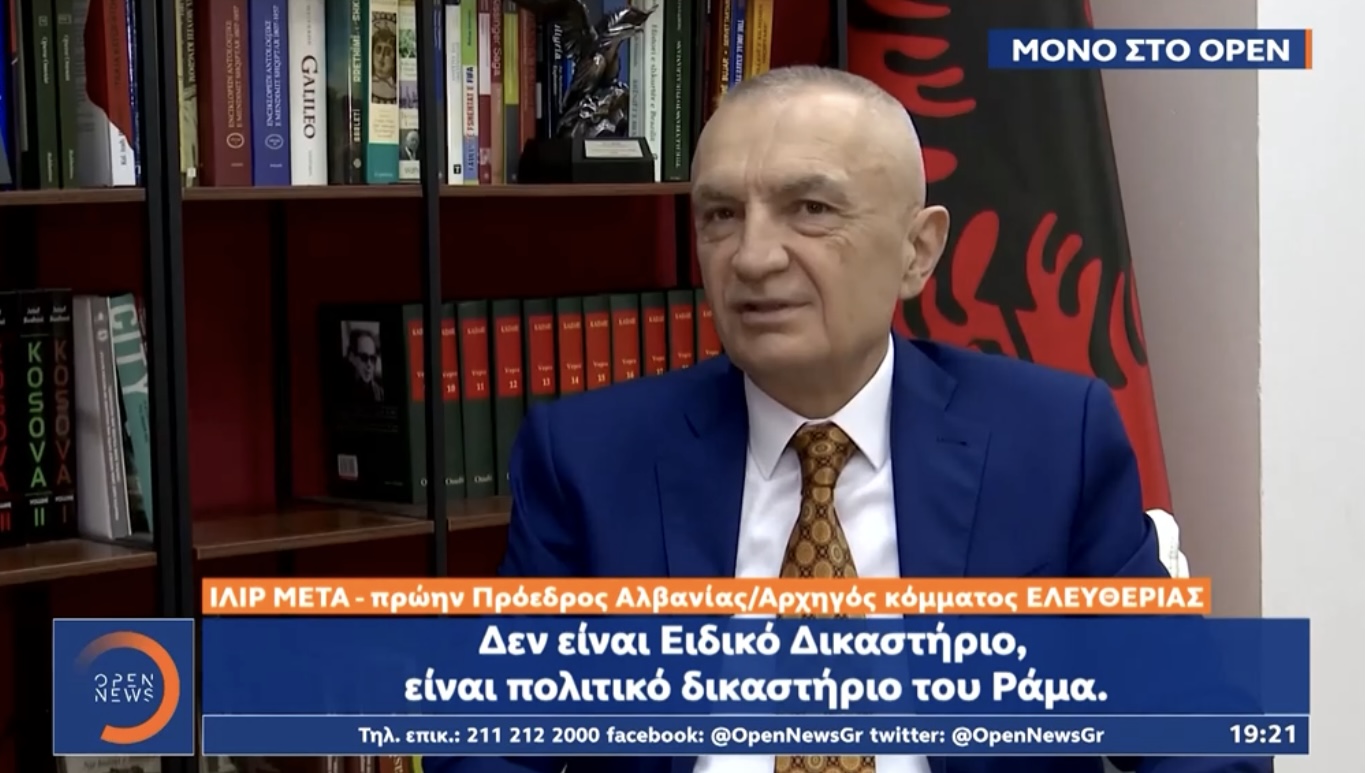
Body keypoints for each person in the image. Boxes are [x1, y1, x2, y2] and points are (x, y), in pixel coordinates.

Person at [425, 67, 1270, 773]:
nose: (752, 256)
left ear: (917, 250)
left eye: (810, 209)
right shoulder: (589, 457)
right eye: (720, 215)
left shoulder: (1051, 441)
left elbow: (1195, 726)